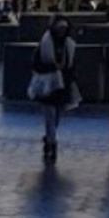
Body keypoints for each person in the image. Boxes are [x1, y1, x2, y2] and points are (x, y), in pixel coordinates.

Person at [29, 15, 78, 162]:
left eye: (64, 28)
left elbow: (72, 65)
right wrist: (51, 67)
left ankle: (49, 137)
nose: (62, 31)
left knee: (56, 116)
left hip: (62, 84)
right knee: (50, 115)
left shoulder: (69, 44)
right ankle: (52, 143)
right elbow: (35, 63)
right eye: (59, 28)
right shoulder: (45, 43)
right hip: (47, 84)